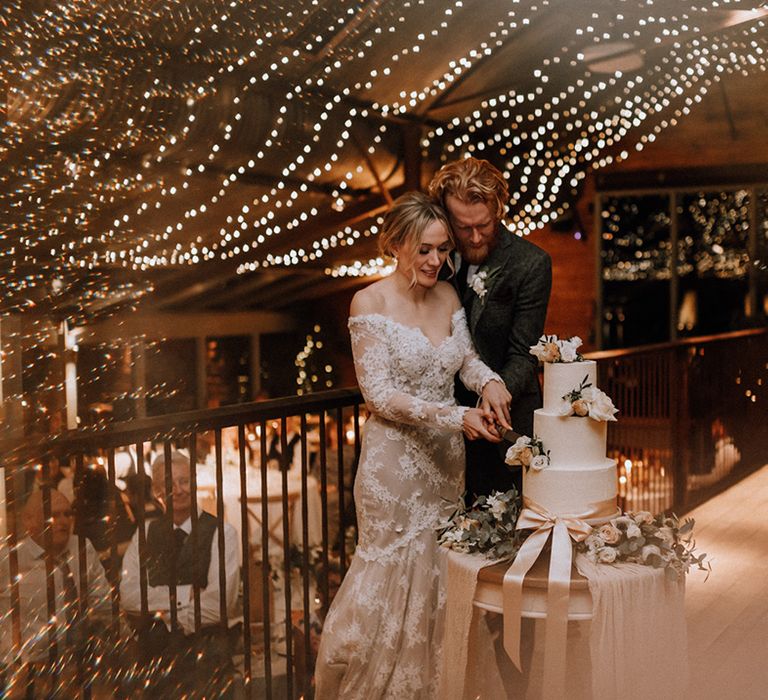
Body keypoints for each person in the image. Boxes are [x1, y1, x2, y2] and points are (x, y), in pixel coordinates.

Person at [314, 191, 511, 698]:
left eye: (443, 250)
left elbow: (464, 361)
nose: (436, 261)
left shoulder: (447, 297)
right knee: (391, 572)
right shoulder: (370, 303)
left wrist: (489, 382)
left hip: (446, 464)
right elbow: (379, 395)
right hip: (393, 468)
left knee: (441, 575)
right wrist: (454, 415)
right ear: (397, 245)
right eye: (424, 250)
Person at [429, 156, 552, 497]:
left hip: (504, 424)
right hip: (443, 425)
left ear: (498, 210)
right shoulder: (432, 258)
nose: (475, 237)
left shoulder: (531, 263)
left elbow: (524, 354)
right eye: (462, 226)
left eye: (483, 225)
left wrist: (492, 394)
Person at [119, 451, 240, 698]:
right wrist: (186, 596)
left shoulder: (223, 533)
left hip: (207, 657)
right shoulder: (143, 534)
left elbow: (220, 606)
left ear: (194, 483)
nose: (179, 490)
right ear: (156, 491)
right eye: (169, 484)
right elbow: (129, 596)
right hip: (155, 660)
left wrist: (162, 616)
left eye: (184, 481)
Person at [0, 489, 112, 696]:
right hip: (30, 671)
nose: (63, 521)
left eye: (67, 514)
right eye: (53, 515)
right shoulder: (9, 560)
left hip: (80, 664)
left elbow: (103, 602)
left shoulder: (82, 547)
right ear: (28, 521)